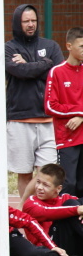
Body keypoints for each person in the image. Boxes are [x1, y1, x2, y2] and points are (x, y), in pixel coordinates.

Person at [5, 4, 64, 198]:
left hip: (48, 121)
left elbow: (57, 75)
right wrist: (44, 65)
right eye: (26, 21)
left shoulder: (51, 46)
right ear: (17, 23)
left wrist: (31, 66)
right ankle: (25, 214)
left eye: (33, 21)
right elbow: (19, 71)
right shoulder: (9, 48)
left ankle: (42, 216)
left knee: (47, 172)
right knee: (24, 173)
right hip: (20, 120)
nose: (31, 25)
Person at [45, 27, 83, 196]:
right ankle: (64, 221)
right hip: (67, 137)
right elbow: (50, 106)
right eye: (81, 46)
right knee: (69, 184)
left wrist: (81, 116)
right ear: (69, 46)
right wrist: (79, 112)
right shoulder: (57, 72)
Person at [21, 163, 83, 256]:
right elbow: (45, 212)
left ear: (58, 189)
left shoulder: (65, 198)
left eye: (45, 185)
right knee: (71, 206)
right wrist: (77, 209)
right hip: (48, 249)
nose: (39, 187)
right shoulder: (30, 203)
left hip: (69, 246)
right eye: (38, 182)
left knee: (75, 203)